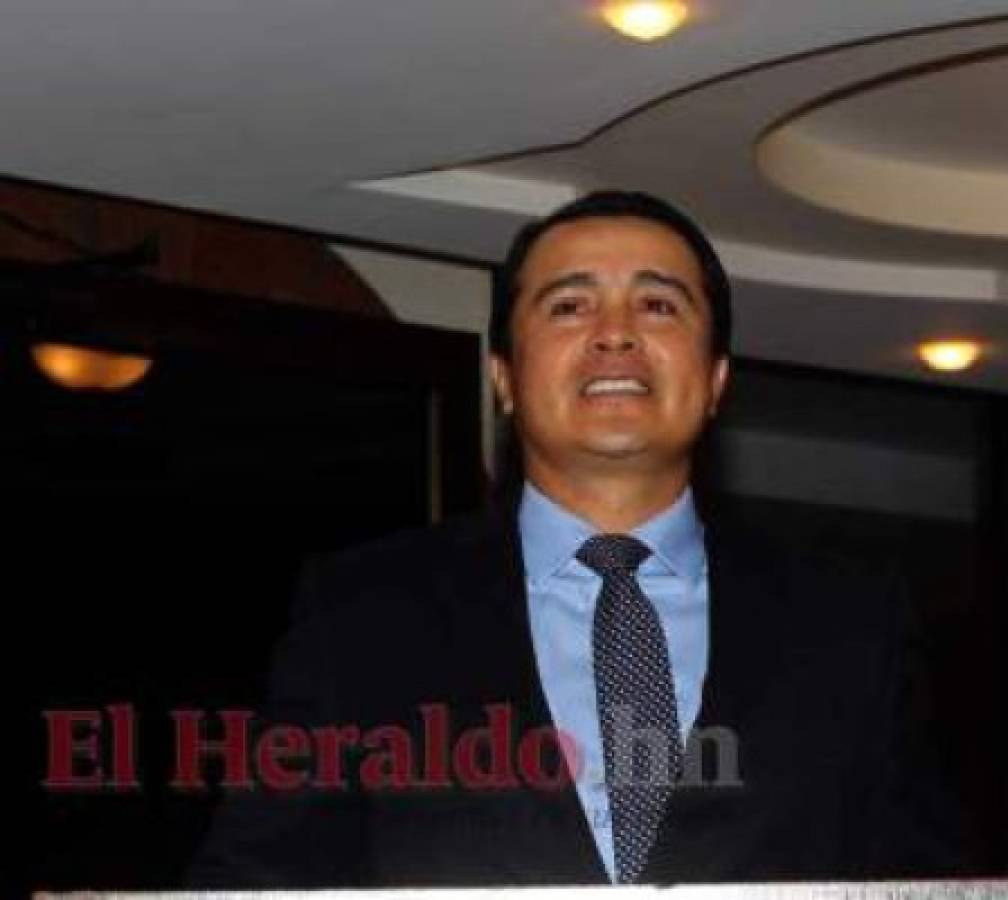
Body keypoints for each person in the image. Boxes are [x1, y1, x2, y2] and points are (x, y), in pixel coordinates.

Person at [188, 190, 967, 888]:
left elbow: (926, 886)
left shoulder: (849, 624)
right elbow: (254, 882)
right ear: (503, 376)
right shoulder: (364, 613)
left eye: (657, 306)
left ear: (716, 379)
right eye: (568, 306)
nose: (615, 335)